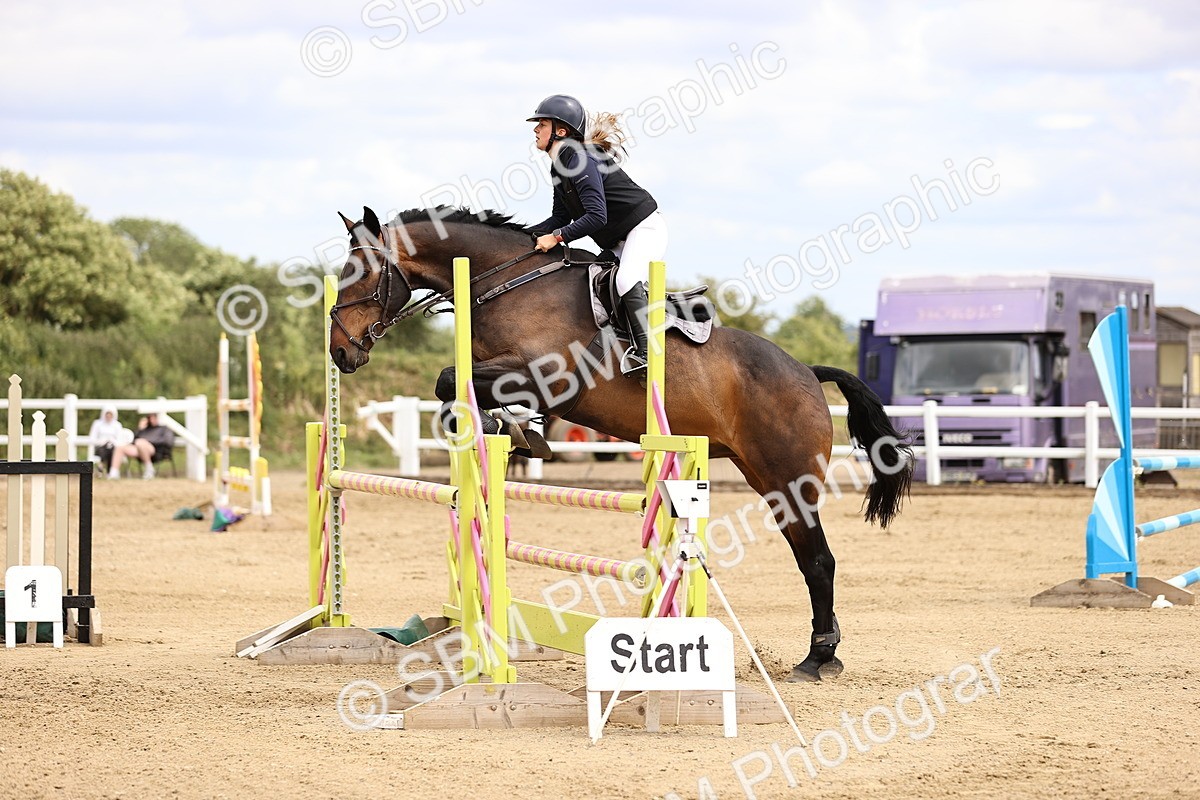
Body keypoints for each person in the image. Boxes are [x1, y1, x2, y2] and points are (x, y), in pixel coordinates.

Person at [527, 94, 667, 380]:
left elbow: (596, 217)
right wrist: (524, 235)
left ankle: (646, 354)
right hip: (619, 240)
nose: (535, 130)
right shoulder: (560, 166)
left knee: (626, 280)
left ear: (560, 131)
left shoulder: (578, 159)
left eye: (541, 124)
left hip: (643, 230)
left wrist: (556, 238)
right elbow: (560, 218)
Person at [88, 405, 154, 480]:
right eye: (107, 414)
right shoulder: (97, 424)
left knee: (112, 449)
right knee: (106, 449)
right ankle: (109, 472)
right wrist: (102, 441)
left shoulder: (117, 425)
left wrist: (111, 441)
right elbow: (92, 438)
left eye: (110, 414)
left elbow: (120, 439)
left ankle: (105, 469)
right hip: (100, 446)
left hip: (113, 446)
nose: (109, 416)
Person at [134, 413, 174, 478]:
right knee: (121, 447)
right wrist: (140, 429)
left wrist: (150, 442)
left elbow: (168, 442)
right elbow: (133, 440)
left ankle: (149, 468)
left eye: (153, 418)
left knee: (140, 442)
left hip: (157, 451)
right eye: (150, 418)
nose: (151, 420)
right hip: (139, 450)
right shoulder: (145, 429)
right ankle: (114, 472)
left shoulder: (164, 429)